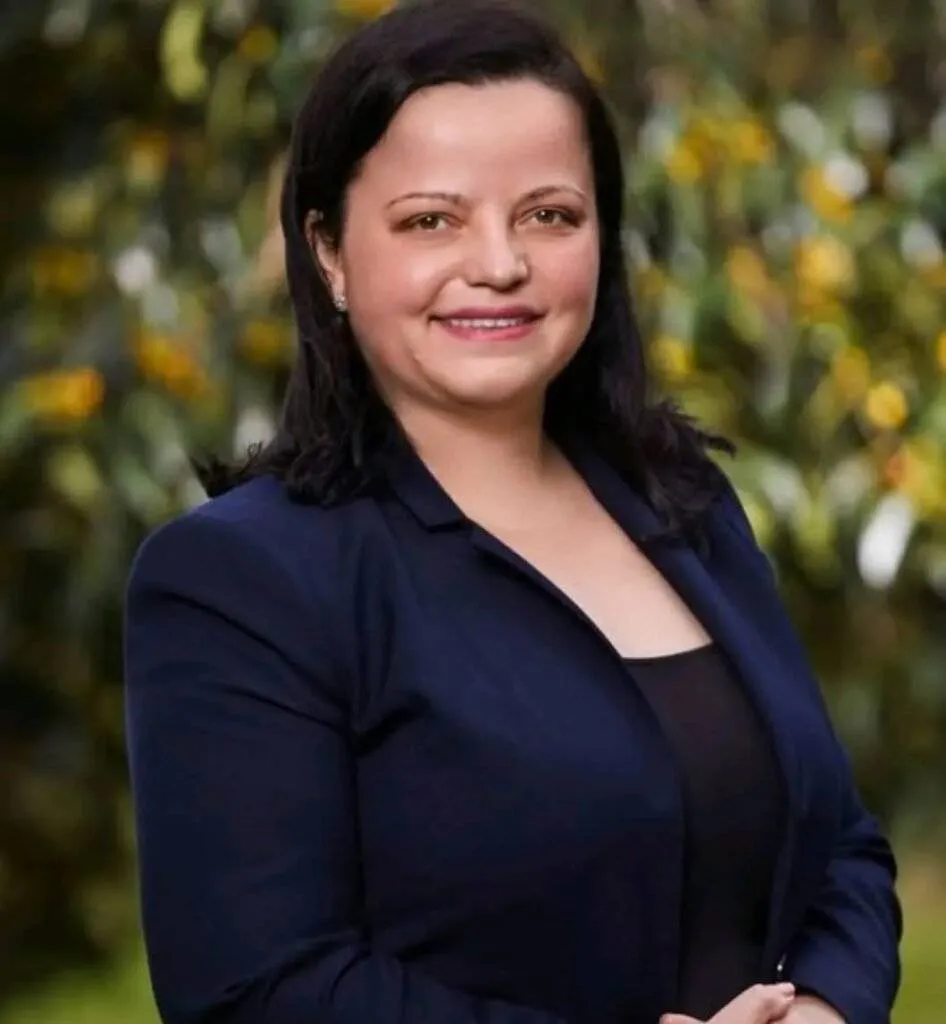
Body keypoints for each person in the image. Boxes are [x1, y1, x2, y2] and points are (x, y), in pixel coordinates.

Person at [122, 2, 902, 1023]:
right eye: (430, 219)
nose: (499, 262)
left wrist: (826, 1003)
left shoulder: (683, 503)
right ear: (328, 253)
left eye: (549, 214)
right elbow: (259, 990)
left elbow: (836, 839)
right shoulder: (242, 581)